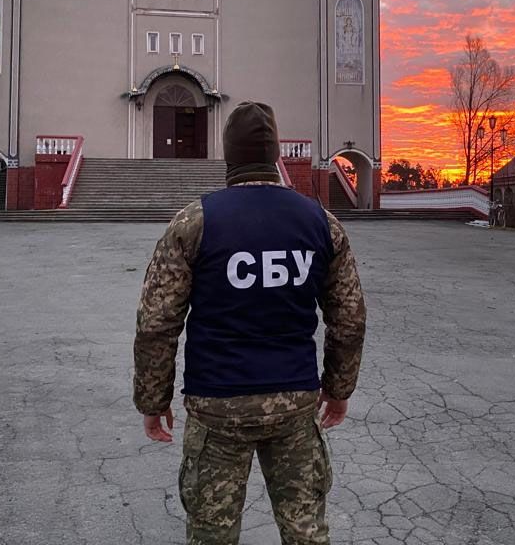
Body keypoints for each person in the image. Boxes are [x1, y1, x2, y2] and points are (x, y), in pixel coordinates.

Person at [133, 101, 367, 545]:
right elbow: (349, 318)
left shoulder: (194, 222)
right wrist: (339, 389)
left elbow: (157, 322)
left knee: (212, 534)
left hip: (217, 403)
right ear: (275, 153)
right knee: (306, 533)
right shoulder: (321, 223)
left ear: (229, 155)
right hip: (294, 401)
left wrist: (152, 398)